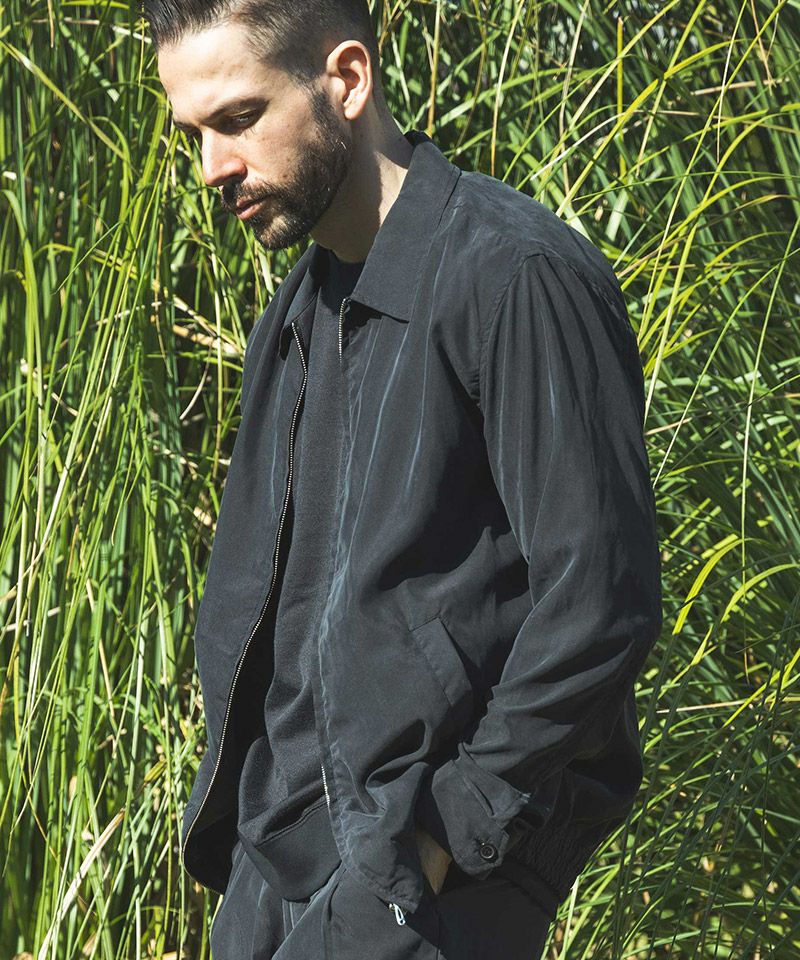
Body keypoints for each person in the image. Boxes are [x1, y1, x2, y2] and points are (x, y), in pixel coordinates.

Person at [146, 1, 663, 957]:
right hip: (279, 873)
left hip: (428, 885)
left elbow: (602, 600)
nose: (212, 166)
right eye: (195, 134)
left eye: (239, 119)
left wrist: (441, 836)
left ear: (346, 80)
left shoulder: (513, 275)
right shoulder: (294, 318)